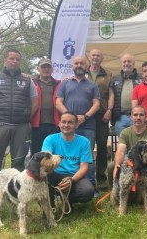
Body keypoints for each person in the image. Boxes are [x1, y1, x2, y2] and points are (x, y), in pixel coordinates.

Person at [0, 49, 38, 208]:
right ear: (5, 61)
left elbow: (35, 103)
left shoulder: (27, 81)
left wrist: (26, 118)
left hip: (21, 126)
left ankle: (16, 194)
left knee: (19, 162)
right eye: (11, 59)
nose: (14, 62)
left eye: (17, 59)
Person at [56, 55, 100, 195]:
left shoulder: (92, 85)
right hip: (68, 126)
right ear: (72, 66)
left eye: (82, 63)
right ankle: (65, 183)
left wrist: (85, 116)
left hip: (88, 126)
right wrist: (71, 118)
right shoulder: (64, 84)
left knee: (88, 158)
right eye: (76, 63)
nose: (79, 65)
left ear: (86, 66)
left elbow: (97, 104)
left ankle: (91, 186)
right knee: (65, 156)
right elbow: (58, 103)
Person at [43, 111, 94, 206]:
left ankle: (67, 199)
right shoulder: (50, 139)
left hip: (74, 176)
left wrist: (71, 180)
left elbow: (84, 167)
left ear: (76, 125)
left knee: (88, 192)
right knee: (45, 175)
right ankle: (50, 205)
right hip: (54, 174)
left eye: (70, 122)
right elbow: (45, 160)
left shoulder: (84, 142)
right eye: (63, 122)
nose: (66, 125)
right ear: (59, 124)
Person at [108, 105, 147, 187]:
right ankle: (115, 191)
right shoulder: (125, 132)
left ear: (145, 117)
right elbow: (120, 151)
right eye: (135, 115)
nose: (138, 118)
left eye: (141, 115)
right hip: (132, 163)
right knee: (111, 166)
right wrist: (117, 165)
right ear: (131, 117)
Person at [86, 49, 113, 189]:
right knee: (87, 148)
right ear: (89, 57)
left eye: (98, 55)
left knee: (102, 146)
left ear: (102, 58)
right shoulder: (81, 73)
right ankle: (86, 176)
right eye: (93, 55)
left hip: (102, 115)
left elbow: (111, 94)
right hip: (85, 116)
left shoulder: (108, 74)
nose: (95, 57)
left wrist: (109, 110)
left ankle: (101, 178)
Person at [31, 58, 60, 156]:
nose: (46, 69)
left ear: (52, 69)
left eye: (48, 67)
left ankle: (50, 172)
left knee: (51, 153)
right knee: (36, 152)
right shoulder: (31, 82)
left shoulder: (58, 83)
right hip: (36, 124)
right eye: (43, 67)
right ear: (38, 69)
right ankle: (35, 172)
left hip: (53, 124)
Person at [109, 53, 142, 136]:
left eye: (129, 61)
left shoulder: (142, 78)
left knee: (137, 142)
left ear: (134, 64)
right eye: (124, 62)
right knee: (122, 143)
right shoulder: (114, 79)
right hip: (120, 117)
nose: (126, 63)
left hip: (137, 116)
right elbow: (110, 96)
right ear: (121, 64)